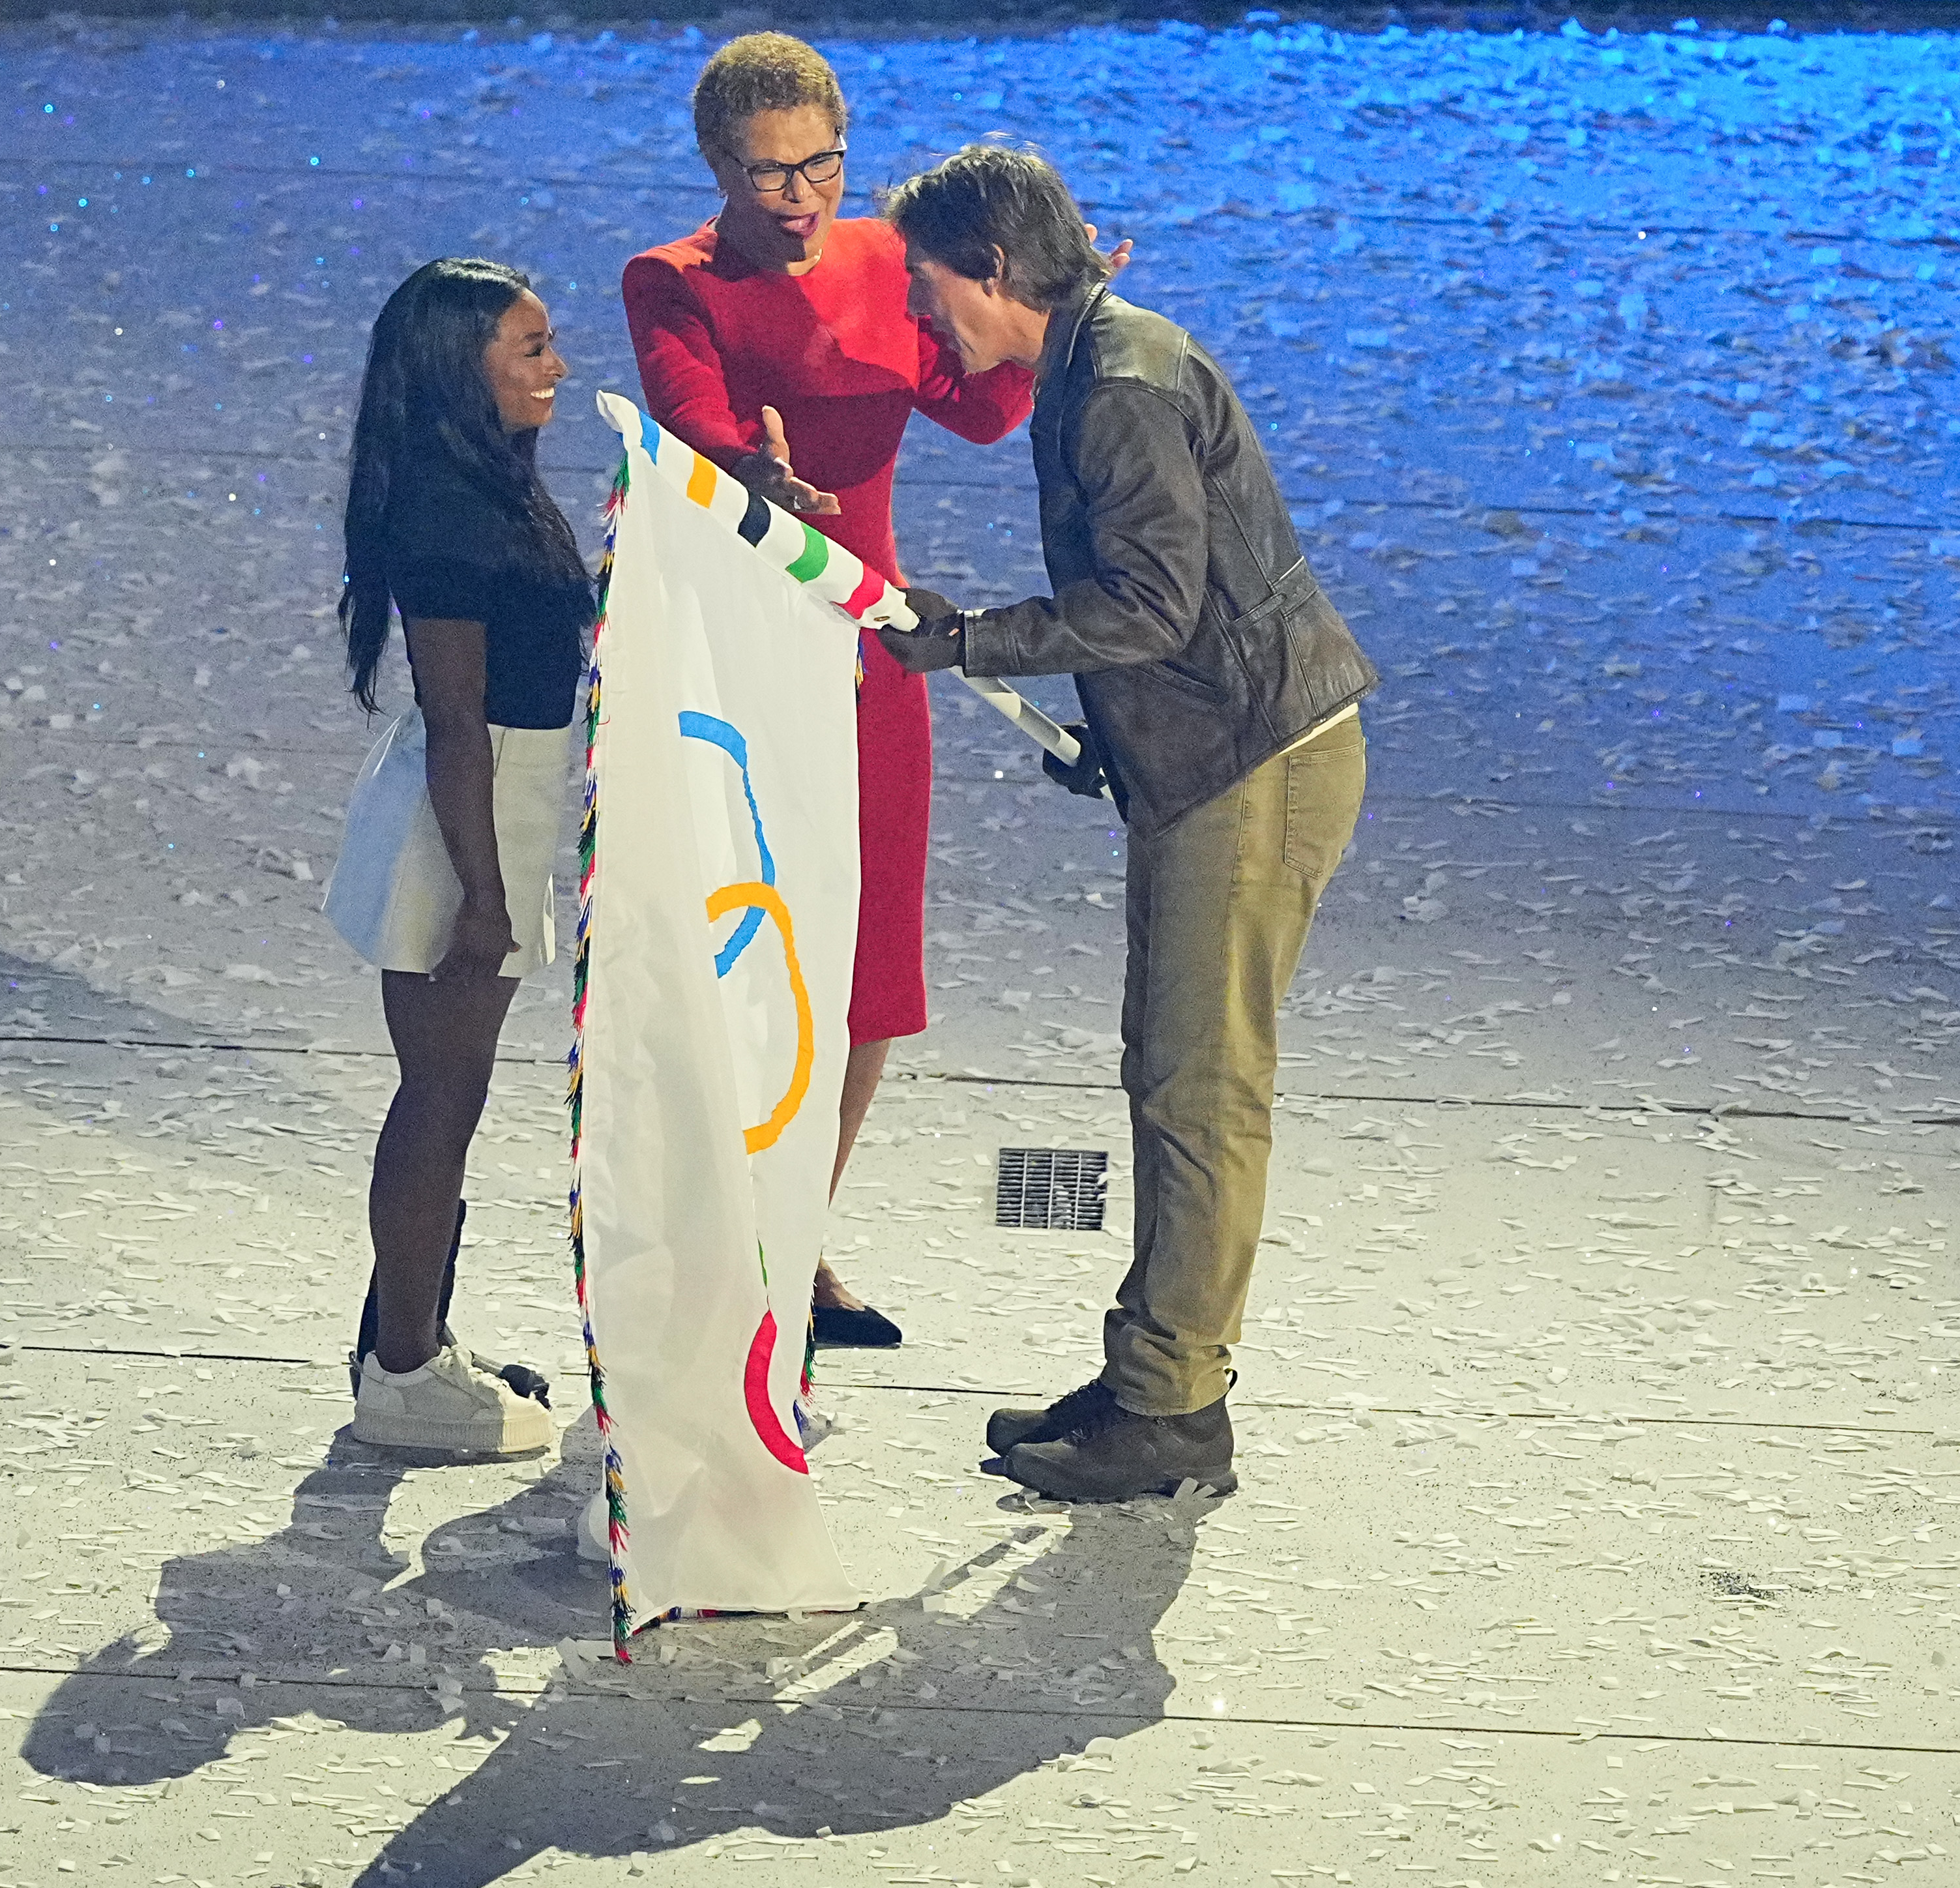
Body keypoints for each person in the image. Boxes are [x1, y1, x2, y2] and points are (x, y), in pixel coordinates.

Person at [876, 145, 1379, 1503]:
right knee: (1171, 1080)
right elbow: (1174, 609)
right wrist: (1116, 733)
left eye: (932, 288)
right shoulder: (1100, 357)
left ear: (991, 269)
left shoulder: (1120, 384)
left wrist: (976, 641)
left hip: (1252, 768)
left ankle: (1171, 1405)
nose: (926, 319)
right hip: (1214, 753)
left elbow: (1152, 604)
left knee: (1203, 1090)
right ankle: (1153, 1374)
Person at [620, 31, 1043, 1350]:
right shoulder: (673, 278)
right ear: (718, 166)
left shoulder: (881, 259)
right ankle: (709, 1240)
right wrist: (758, 474)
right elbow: (687, 417)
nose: (799, 196)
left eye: (820, 166)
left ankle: (793, 1239)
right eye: (767, 173)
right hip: (738, 664)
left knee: (867, 976)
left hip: (873, 659)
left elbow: (978, 414)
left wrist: (1036, 322)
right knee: (749, 960)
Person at [321, 258, 592, 1454]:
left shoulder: (488, 481)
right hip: (464, 822)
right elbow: (454, 722)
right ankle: (402, 1372)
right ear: (459, 368)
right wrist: (486, 895)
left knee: (453, 1094)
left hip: (496, 803)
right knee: (441, 1098)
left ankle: (415, 1335)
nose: (557, 368)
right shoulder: (446, 511)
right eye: (530, 349)